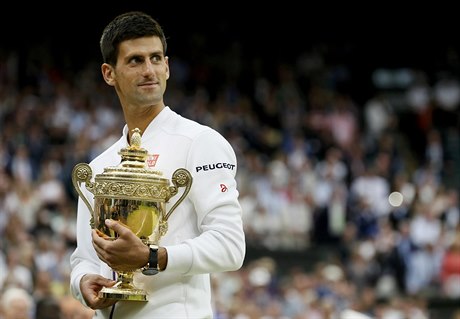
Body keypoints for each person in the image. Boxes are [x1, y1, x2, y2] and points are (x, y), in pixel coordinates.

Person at [69, 11, 246, 318]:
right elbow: (84, 256)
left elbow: (230, 246)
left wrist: (152, 257)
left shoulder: (200, 142)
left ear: (168, 66)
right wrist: (82, 282)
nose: (149, 70)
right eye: (135, 60)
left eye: (156, 58)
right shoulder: (102, 164)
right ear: (109, 73)